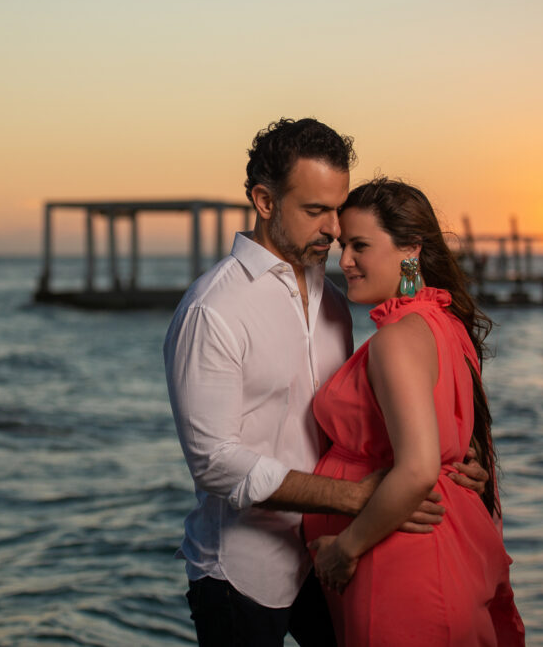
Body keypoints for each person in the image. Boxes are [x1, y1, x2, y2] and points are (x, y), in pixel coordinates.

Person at [164, 119, 489, 647]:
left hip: (332, 553)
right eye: (315, 210)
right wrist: (354, 497)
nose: (334, 229)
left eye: (337, 209)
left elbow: (360, 415)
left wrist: (453, 458)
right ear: (265, 201)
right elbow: (215, 461)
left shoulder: (335, 302)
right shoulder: (214, 310)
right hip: (246, 571)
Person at [305, 178, 526, 646]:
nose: (343, 261)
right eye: (343, 245)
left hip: (402, 568)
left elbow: (419, 468)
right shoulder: (445, 323)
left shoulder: (398, 340)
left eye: (359, 246)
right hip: (432, 555)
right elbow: (457, 444)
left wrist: (344, 550)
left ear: (411, 251)